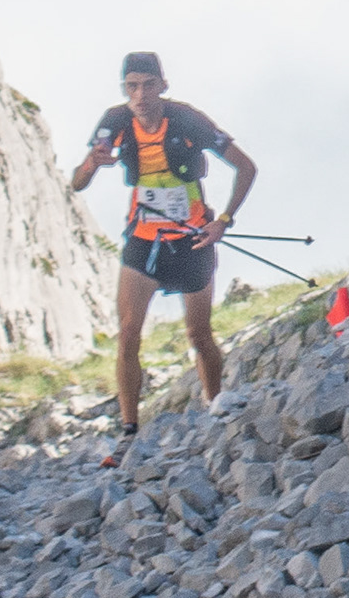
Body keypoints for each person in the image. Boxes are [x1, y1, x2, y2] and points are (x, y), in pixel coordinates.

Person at [67, 51, 258, 456]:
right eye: (132, 87)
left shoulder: (187, 119)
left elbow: (246, 167)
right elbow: (77, 183)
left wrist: (223, 221)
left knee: (198, 332)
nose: (140, 95)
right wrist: (91, 164)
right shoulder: (115, 121)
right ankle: (129, 431)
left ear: (163, 86)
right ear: (125, 90)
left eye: (148, 85)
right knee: (128, 335)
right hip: (143, 240)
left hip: (192, 239)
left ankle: (216, 405)